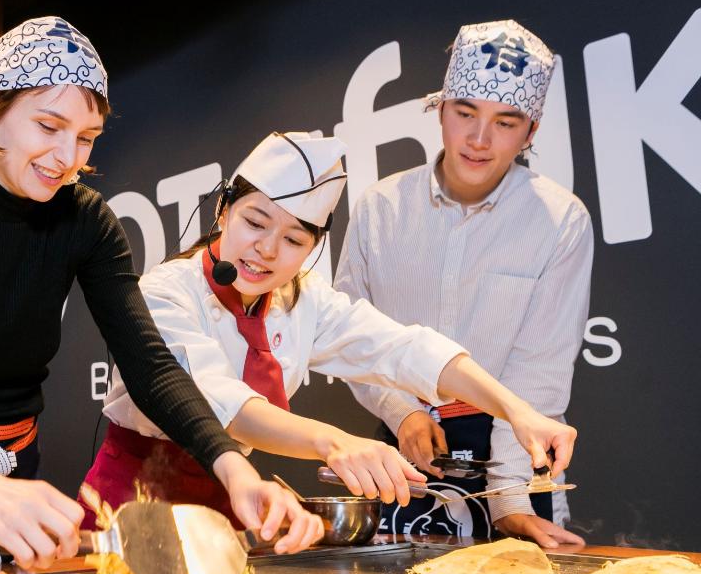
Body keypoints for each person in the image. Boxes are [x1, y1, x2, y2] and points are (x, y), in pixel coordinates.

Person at [0, 18, 322, 571]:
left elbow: (151, 367)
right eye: (48, 126)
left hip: (6, 469)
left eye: (85, 138)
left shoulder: (86, 221)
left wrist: (233, 468)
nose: (67, 157)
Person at [85, 132, 579, 529]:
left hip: (230, 505)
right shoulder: (165, 293)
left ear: (313, 247)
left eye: (294, 239)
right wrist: (334, 442)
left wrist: (516, 411)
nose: (266, 250)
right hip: (131, 500)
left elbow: (404, 348)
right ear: (223, 211)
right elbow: (224, 410)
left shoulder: (304, 298)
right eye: (255, 222)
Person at [337, 19, 593, 548]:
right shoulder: (380, 209)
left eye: (506, 122)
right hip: (405, 452)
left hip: (516, 457)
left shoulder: (561, 221)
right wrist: (401, 410)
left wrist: (507, 501)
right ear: (441, 110)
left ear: (532, 131)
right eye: (465, 114)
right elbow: (349, 335)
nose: (479, 140)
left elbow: (536, 376)